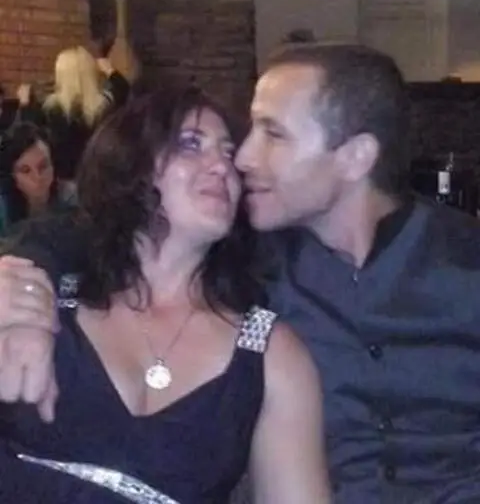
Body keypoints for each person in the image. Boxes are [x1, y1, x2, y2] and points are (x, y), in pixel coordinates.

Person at [3, 42, 480, 502]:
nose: (243, 159)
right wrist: (22, 293)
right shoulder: (255, 259)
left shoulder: (466, 263)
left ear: (355, 156)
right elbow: (82, 230)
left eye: (273, 134)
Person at [0, 84, 330, 503]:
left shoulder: (271, 355)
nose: (222, 166)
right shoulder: (43, 303)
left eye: (228, 153)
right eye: (191, 144)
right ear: (130, 165)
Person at [18, 46, 130, 185]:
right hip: (98, 178)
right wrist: (109, 70)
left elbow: (30, 132)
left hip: (62, 179)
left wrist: (25, 103)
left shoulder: (51, 108)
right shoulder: (104, 105)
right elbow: (126, 93)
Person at [0, 123, 75, 237]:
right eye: (26, 170)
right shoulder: (3, 209)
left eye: (43, 166)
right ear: (13, 176)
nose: (37, 177)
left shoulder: (72, 199)